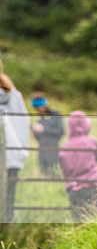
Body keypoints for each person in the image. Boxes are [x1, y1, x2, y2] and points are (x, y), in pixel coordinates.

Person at [59, 111, 97, 222]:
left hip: (73, 190)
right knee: (96, 218)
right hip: (91, 186)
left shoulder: (64, 147)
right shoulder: (92, 142)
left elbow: (65, 172)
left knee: (78, 221)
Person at [0, 58, 30, 222]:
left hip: (10, 153)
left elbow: (22, 122)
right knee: (9, 196)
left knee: (8, 195)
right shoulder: (14, 95)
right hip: (13, 153)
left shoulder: (13, 95)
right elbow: (23, 123)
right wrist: (21, 150)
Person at [30, 91, 64, 176]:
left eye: (39, 107)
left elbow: (61, 131)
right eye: (36, 108)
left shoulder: (55, 114)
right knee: (43, 173)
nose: (38, 110)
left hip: (53, 149)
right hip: (42, 150)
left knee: (54, 173)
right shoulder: (40, 118)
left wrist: (44, 129)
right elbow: (38, 137)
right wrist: (35, 131)